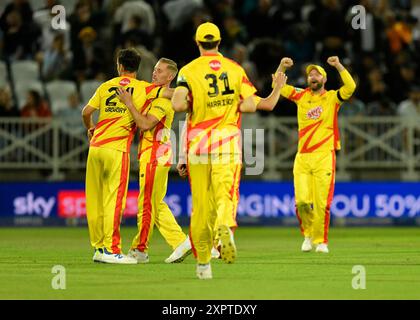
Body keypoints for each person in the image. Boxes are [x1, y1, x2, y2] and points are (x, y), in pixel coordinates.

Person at [171, 22, 287, 279]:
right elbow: (254, 105)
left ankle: (203, 265)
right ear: (220, 42)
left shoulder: (188, 71)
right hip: (227, 143)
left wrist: (195, 100)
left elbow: (178, 104)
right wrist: (276, 86)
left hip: (198, 146)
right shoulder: (235, 69)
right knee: (226, 195)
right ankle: (224, 229)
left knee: (200, 207)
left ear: (198, 42)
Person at [81, 48, 168, 264]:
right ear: (137, 68)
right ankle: (111, 250)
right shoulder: (143, 88)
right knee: (114, 200)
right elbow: (169, 94)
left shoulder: (105, 86)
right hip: (116, 150)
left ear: (119, 66)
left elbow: (86, 112)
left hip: (95, 149)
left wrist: (90, 127)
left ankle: (99, 248)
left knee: (95, 200)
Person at [268, 56, 356, 253]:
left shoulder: (333, 97)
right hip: (303, 157)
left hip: (325, 156)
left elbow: (350, 87)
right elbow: (277, 85)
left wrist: (339, 66)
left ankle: (321, 241)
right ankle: (307, 234)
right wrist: (281, 65)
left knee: (322, 203)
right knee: (301, 202)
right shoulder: (301, 96)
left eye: (317, 74)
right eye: (310, 75)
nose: (312, 77)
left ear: (324, 79)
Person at [116, 58, 192, 264]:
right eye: (155, 69)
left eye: (160, 71)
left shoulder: (162, 101)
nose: (154, 73)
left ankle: (140, 249)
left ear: (170, 76)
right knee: (155, 203)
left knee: (147, 204)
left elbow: (145, 124)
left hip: (154, 154)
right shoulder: (154, 94)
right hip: (158, 154)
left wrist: (129, 104)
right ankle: (180, 242)